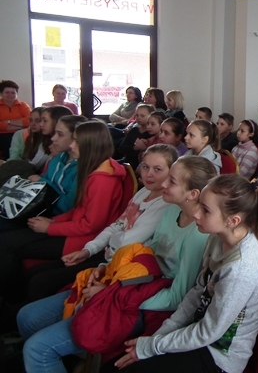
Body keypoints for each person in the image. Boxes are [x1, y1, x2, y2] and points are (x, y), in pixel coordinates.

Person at [17, 155, 215, 373]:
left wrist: (112, 293)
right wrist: (109, 269)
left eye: (172, 181)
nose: (164, 183)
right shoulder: (171, 211)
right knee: (27, 317)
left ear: (192, 194)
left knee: (37, 349)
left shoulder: (198, 235)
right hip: (132, 284)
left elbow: (176, 298)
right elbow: (146, 255)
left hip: (147, 304)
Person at [111, 174, 258, 373]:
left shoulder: (242, 269)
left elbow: (208, 332)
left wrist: (152, 346)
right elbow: (198, 292)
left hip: (218, 358)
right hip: (197, 334)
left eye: (206, 210)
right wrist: (158, 337)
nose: (196, 213)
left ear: (233, 221)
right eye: (199, 204)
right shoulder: (217, 238)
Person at [24, 144, 179, 302]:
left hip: (121, 264)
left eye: (158, 169)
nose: (149, 174)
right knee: (37, 271)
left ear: (171, 173)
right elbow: (115, 226)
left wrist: (110, 240)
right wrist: (88, 250)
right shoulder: (143, 192)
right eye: (145, 167)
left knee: (41, 281)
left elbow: (128, 241)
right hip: (108, 252)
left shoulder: (165, 205)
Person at [0, 120, 127, 302]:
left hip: (81, 240)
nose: (72, 146)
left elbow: (91, 225)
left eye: (77, 142)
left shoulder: (103, 179)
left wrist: (50, 228)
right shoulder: (93, 169)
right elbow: (78, 209)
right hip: (71, 229)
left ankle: (11, 303)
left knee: (8, 245)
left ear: (90, 146)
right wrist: (54, 221)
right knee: (8, 240)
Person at [0, 80, 32, 159]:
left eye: (13, 93)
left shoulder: (23, 105)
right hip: (2, 135)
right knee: (8, 141)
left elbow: (30, 120)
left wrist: (8, 122)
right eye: (7, 92)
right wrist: (21, 125)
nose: (10, 95)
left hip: (21, 133)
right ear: (1, 93)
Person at [118, 104, 155, 169]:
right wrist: (133, 148)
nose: (138, 118)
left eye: (142, 116)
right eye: (137, 115)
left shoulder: (151, 134)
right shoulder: (134, 130)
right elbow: (121, 148)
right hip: (125, 160)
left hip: (137, 164)